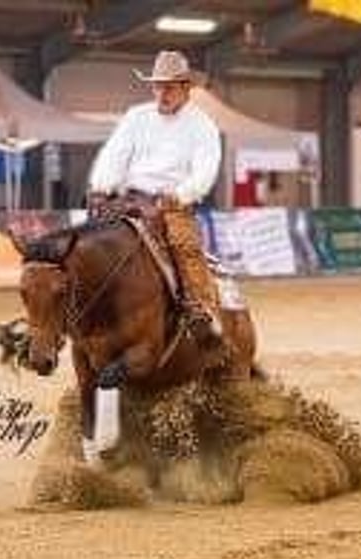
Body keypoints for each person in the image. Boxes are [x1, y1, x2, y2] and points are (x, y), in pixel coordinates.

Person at [88, 50, 223, 342]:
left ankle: (202, 310)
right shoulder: (136, 117)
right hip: (129, 199)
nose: (162, 93)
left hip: (171, 204)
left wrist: (181, 195)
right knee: (87, 244)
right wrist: (102, 185)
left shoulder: (202, 126)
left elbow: (204, 172)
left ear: (186, 88)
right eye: (157, 86)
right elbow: (115, 153)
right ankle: (78, 307)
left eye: (169, 87)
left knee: (184, 245)